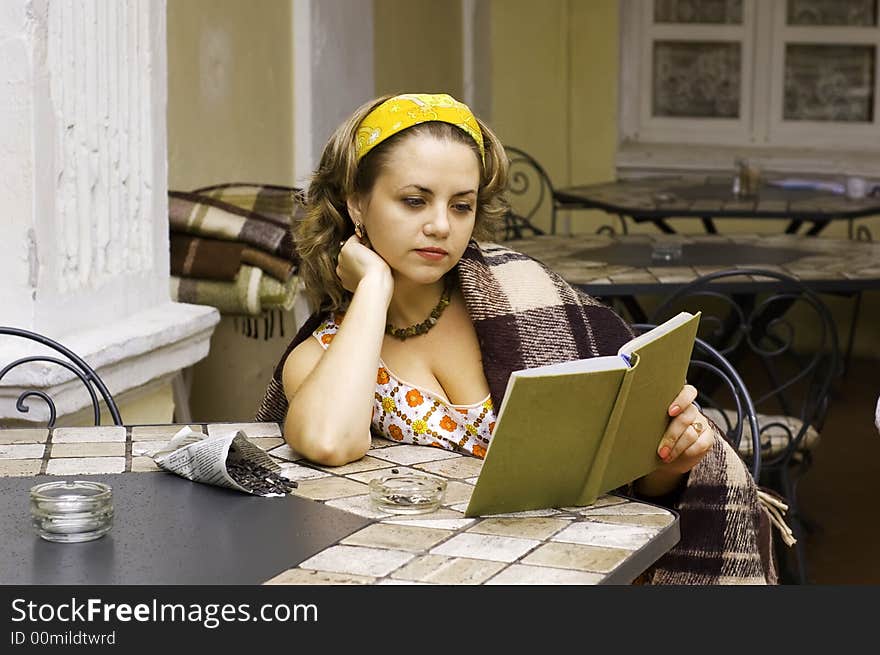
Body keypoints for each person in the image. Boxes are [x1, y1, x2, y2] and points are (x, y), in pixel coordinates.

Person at [256, 92, 777, 584]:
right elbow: (328, 441)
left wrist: (672, 460)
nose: (441, 226)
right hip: (439, 575)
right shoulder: (325, 354)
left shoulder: (528, 297)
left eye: (461, 206)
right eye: (415, 201)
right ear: (357, 206)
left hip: (588, 566)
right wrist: (373, 286)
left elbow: (624, 484)